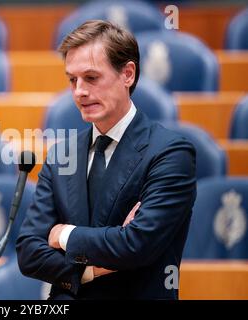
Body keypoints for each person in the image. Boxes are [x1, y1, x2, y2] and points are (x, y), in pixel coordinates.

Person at [16, 20, 197, 299]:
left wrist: (63, 234)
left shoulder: (171, 153)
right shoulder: (62, 154)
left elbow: (136, 244)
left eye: (91, 77)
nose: (79, 91)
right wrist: (87, 273)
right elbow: (29, 251)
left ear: (127, 74)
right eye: (72, 80)